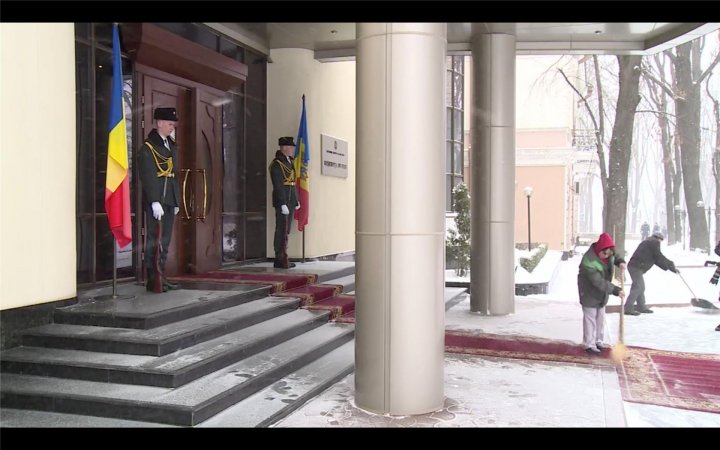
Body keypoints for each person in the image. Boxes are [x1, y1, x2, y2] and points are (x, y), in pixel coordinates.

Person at [138, 107, 181, 292]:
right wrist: (154, 201)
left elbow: (174, 174)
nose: (172, 127)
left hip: (169, 198)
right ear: (160, 123)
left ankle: (161, 275)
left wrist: (177, 200)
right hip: (158, 199)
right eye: (170, 124)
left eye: (174, 124)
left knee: (165, 240)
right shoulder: (148, 147)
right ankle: (152, 278)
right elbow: (148, 175)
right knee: (154, 240)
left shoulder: (170, 145)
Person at [577, 232, 626, 354]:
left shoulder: (608, 253)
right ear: (599, 249)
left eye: (609, 253)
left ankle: (599, 341)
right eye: (605, 253)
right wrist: (615, 290)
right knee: (591, 319)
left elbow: (615, 255)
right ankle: (589, 344)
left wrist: (620, 262)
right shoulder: (588, 261)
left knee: (600, 318)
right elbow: (598, 282)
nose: (606, 256)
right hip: (589, 291)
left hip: (601, 293)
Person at [625, 231, 677, 315]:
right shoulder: (653, 242)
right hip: (636, 267)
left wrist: (671, 267)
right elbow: (659, 256)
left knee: (640, 287)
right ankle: (628, 308)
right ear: (658, 239)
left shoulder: (649, 243)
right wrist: (670, 265)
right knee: (638, 286)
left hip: (635, 266)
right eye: (661, 240)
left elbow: (656, 260)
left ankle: (641, 306)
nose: (660, 243)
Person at [269, 136, 300, 268]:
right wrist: (282, 203)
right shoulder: (277, 164)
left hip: (290, 200)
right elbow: (278, 185)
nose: (293, 150)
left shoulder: (289, 162)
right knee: (281, 229)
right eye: (291, 147)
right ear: (285, 148)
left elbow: (292, 183)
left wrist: (296, 199)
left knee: (286, 229)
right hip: (283, 202)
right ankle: (280, 257)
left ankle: (284, 255)